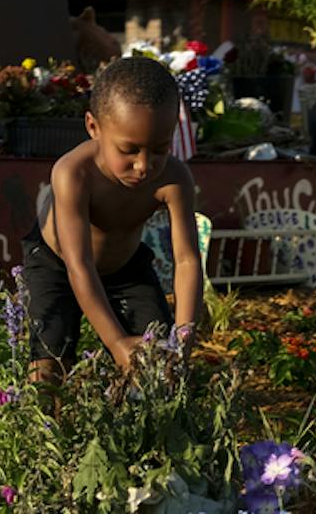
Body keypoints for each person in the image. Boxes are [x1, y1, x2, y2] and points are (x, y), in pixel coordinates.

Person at [21, 55, 201, 380]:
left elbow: (187, 260)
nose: (144, 165)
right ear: (93, 127)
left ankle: (141, 425)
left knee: (157, 357)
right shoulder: (73, 173)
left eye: (160, 149)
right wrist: (116, 342)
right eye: (129, 150)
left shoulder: (175, 179)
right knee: (49, 363)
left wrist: (184, 338)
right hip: (58, 266)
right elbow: (79, 265)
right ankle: (45, 425)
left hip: (126, 267)